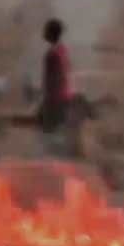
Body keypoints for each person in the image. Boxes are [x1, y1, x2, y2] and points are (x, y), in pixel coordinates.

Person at [37, 18, 74, 156]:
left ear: (50, 33)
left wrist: (48, 98)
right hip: (63, 96)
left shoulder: (52, 54)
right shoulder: (62, 50)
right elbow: (67, 70)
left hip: (55, 98)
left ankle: (54, 165)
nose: (43, 33)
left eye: (46, 30)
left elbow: (54, 77)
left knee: (48, 134)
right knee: (55, 131)